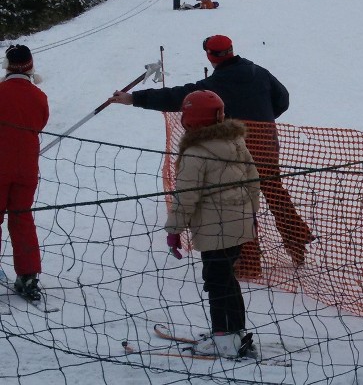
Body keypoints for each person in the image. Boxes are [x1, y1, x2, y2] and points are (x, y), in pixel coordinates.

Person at [108, 35, 313, 275]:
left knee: (242, 202)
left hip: (237, 148)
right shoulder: (259, 72)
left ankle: (248, 263)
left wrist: (134, 98)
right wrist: (263, 119)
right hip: (267, 142)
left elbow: (179, 96)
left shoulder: (216, 84)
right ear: (232, 50)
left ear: (209, 56)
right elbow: (283, 99)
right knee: (274, 189)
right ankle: (297, 239)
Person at [164, 90, 260, 357]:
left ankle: (224, 339)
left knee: (217, 281)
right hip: (238, 224)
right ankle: (234, 331)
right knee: (227, 279)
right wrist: (251, 215)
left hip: (214, 230)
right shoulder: (236, 141)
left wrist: (174, 231)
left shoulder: (195, 153)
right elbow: (253, 180)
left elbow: (185, 197)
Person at [0, 45, 49, 302]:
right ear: (30, 66)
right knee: (22, 218)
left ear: (7, 65)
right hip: (26, 168)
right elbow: (40, 124)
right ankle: (28, 275)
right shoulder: (39, 96)